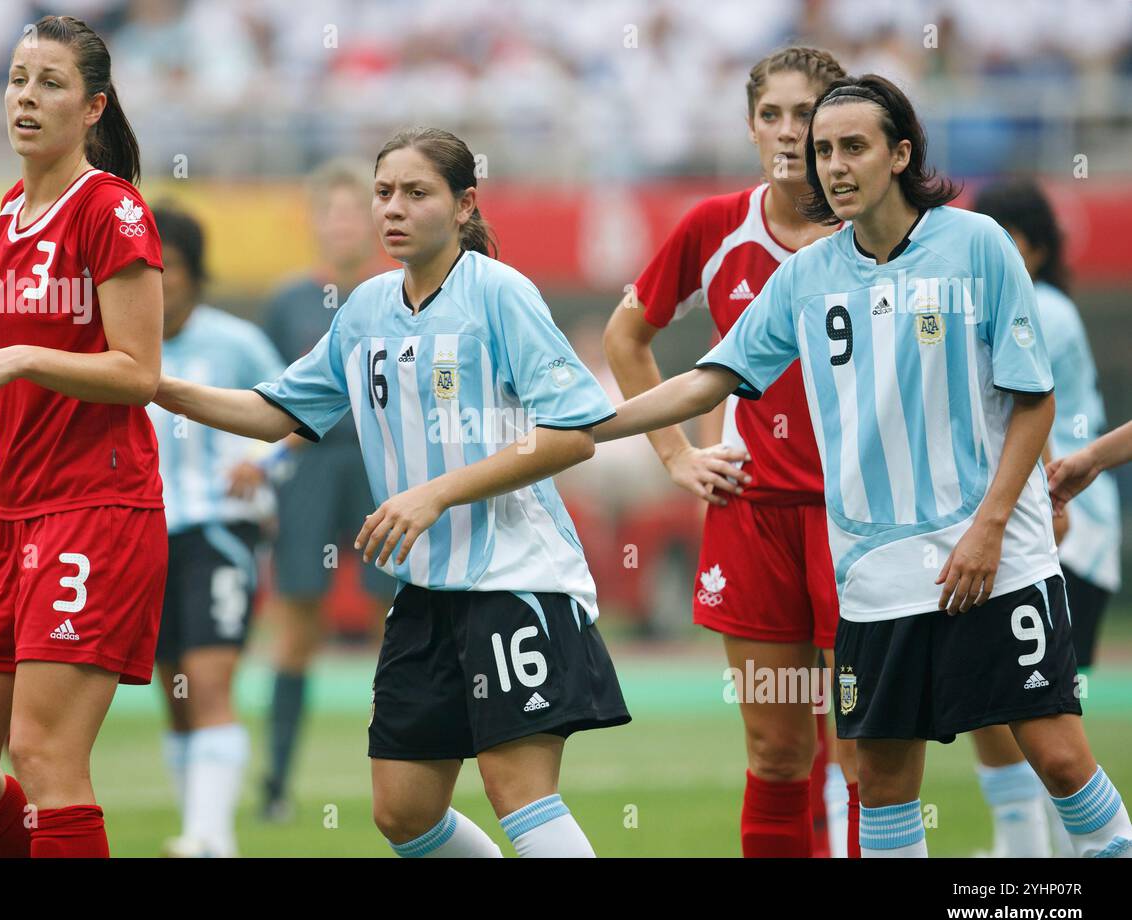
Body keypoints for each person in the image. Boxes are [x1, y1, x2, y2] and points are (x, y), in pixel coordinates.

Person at [592, 74, 1131, 858]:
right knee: (878, 780)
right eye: (822, 152)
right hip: (875, 573)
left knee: (1055, 751)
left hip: (996, 557)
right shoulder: (808, 275)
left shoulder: (976, 245)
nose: (833, 165)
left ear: (900, 153)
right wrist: (595, 426)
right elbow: (710, 380)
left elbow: (1033, 402)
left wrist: (987, 530)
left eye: (852, 147)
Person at [154, 127, 630, 857]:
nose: (392, 208)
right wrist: (159, 387)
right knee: (402, 810)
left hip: (513, 577)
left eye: (416, 192)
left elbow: (572, 433)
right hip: (426, 590)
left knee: (519, 792)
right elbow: (278, 408)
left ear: (465, 204)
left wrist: (436, 493)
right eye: (384, 193)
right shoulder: (368, 307)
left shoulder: (500, 293)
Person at [0, 14, 167, 858]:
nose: (26, 97)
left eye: (50, 83)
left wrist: (18, 356)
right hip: (10, 512)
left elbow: (138, 371)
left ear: (93, 107)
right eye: (19, 80)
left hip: (96, 506)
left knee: (48, 754)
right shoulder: (6, 212)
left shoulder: (113, 210)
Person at [603, 45, 858, 858]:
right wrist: (676, 457)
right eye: (771, 114)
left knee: (861, 753)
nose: (789, 133)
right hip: (752, 521)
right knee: (778, 752)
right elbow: (626, 336)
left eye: (807, 116)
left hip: (864, 522)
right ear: (751, 126)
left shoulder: (878, 232)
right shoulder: (713, 227)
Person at [967, 178, 1122, 856]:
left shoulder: (1038, 310)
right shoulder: (1034, 303)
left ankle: (1049, 848)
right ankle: (1030, 847)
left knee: (1044, 713)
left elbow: (1032, 411)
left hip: (1063, 527)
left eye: (995, 237)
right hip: (1052, 515)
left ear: (1026, 247)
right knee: (1017, 704)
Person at [248, 158, 396, 821]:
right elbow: (271, 399)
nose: (342, 224)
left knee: (400, 621)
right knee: (297, 626)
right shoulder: (288, 302)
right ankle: (276, 783)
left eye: (352, 211)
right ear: (315, 221)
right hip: (306, 467)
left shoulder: (395, 291)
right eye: (331, 211)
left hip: (381, 467)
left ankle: (407, 769)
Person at [147, 205, 285, 856]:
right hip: (143, 536)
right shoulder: (122, 345)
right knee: (174, 694)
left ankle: (211, 838)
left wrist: (263, 463)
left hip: (218, 531)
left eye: (168, 267)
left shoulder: (235, 342)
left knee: (208, 683)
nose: (157, 280)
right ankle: (198, 828)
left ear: (197, 274)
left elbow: (300, 412)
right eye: (146, 267)